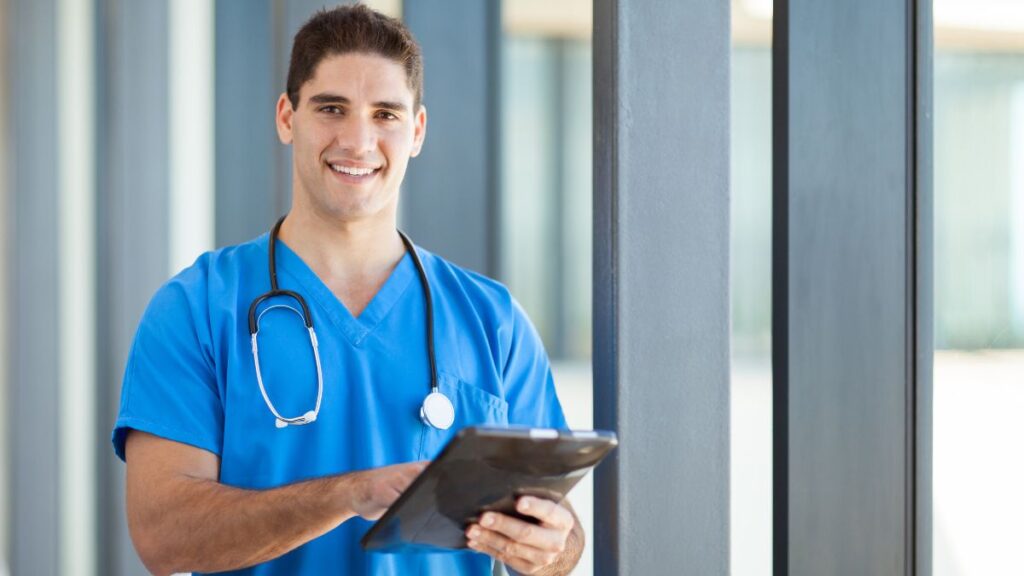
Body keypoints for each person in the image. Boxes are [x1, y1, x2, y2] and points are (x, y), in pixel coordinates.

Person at [112, 4, 583, 576]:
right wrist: (347, 495)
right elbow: (164, 536)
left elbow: (556, 530)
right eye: (331, 108)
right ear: (287, 117)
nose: (358, 141)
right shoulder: (196, 310)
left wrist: (554, 548)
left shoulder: (492, 320)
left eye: (386, 114)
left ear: (418, 131)